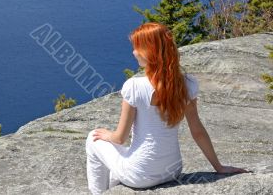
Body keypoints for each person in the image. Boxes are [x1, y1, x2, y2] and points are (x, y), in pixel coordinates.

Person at [85, 22, 251, 195]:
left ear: (149, 52)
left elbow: (120, 139)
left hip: (140, 176)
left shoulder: (134, 86)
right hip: (172, 171)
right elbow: (198, 132)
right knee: (121, 160)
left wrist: (107, 134)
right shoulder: (187, 84)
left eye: (137, 48)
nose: (133, 52)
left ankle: (97, 193)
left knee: (93, 138)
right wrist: (219, 167)